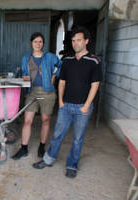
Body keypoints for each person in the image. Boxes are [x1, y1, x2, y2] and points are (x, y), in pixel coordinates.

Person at [32, 27, 102, 178]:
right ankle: (48, 159)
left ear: (86, 41)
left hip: (83, 107)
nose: (75, 43)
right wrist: (61, 102)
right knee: (57, 134)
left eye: (79, 40)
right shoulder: (67, 61)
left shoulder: (94, 61)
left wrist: (86, 105)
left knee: (77, 139)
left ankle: (72, 165)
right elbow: (62, 82)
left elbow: (95, 85)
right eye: (73, 41)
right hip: (66, 106)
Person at [12, 32, 62, 160]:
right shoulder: (26, 58)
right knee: (27, 120)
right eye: (35, 41)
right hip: (32, 92)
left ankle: (42, 146)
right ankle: (24, 148)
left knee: (46, 120)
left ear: (43, 43)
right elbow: (24, 73)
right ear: (31, 43)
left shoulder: (50, 57)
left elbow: (61, 66)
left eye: (40, 41)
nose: (38, 44)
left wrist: (54, 75)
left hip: (48, 92)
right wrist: (24, 77)